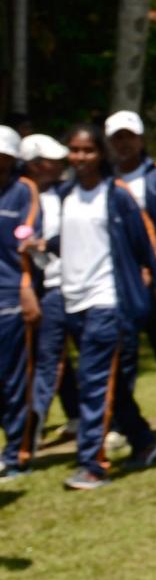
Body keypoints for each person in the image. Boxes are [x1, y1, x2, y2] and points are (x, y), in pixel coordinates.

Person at [52, 123, 156, 489]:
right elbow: (69, 241)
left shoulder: (118, 194)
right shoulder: (66, 194)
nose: (80, 158)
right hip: (73, 302)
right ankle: (144, 441)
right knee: (110, 383)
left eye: (87, 151)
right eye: (74, 150)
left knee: (94, 383)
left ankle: (92, 465)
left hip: (107, 301)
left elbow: (148, 246)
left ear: (101, 154)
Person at [104, 109, 156, 432]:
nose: (124, 144)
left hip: (155, 282)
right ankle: (119, 425)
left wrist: (154, 270)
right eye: (117, 138)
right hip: (117, 284)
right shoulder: (105, 179)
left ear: (141, 139)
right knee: (121, 357)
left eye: (129, 137)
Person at [21, 132, 73, 461]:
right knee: (51, 358)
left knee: (49, 359)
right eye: (51, 160)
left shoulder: (64, 195)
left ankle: (31, 429)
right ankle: (79, 417)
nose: (59, 165)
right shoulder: (16, 197)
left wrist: (44, 244)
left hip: (63, 286)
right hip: (35, 289)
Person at [0, 128, 34, 479]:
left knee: (12, 378)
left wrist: (26, 288)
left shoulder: (24, 192)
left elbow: (28, 240)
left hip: (12, 296)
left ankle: (16, 453)